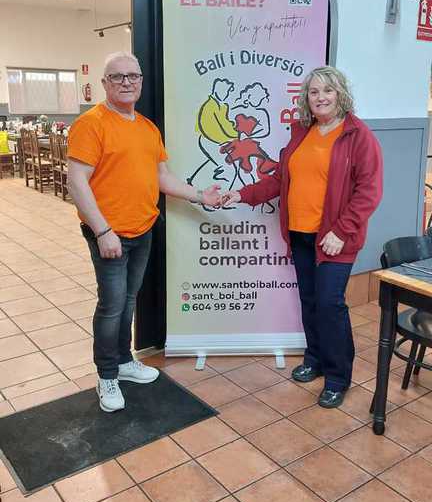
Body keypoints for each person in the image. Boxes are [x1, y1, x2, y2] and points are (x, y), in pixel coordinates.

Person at [67, 51, 221, 413]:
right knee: (111, 306)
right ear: (105, 83)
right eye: (117, 76)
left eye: (132, 76)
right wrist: (102, 230)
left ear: (141, 81)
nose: (126, 82)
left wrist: (202, 195)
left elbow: (162, 177)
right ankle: (107, 375)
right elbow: (76, 181)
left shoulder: (148, 128)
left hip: (143, 229)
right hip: (109, 235)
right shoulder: (91, 124)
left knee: (128, 301)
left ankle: (123, 361)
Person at [222, 66, 383, 408]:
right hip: (300, 233)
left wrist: (341, 230)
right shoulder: (302, 132)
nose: (320, 97)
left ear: (340, 94)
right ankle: (316, 359)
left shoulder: (358, 135)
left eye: (328, 90)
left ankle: (337, 377)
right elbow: (280, 179)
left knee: (330, 304)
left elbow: (369, 191)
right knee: (309, 301)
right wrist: (242, 195)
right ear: (306, 98)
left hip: (335, 239)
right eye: (314, 92)